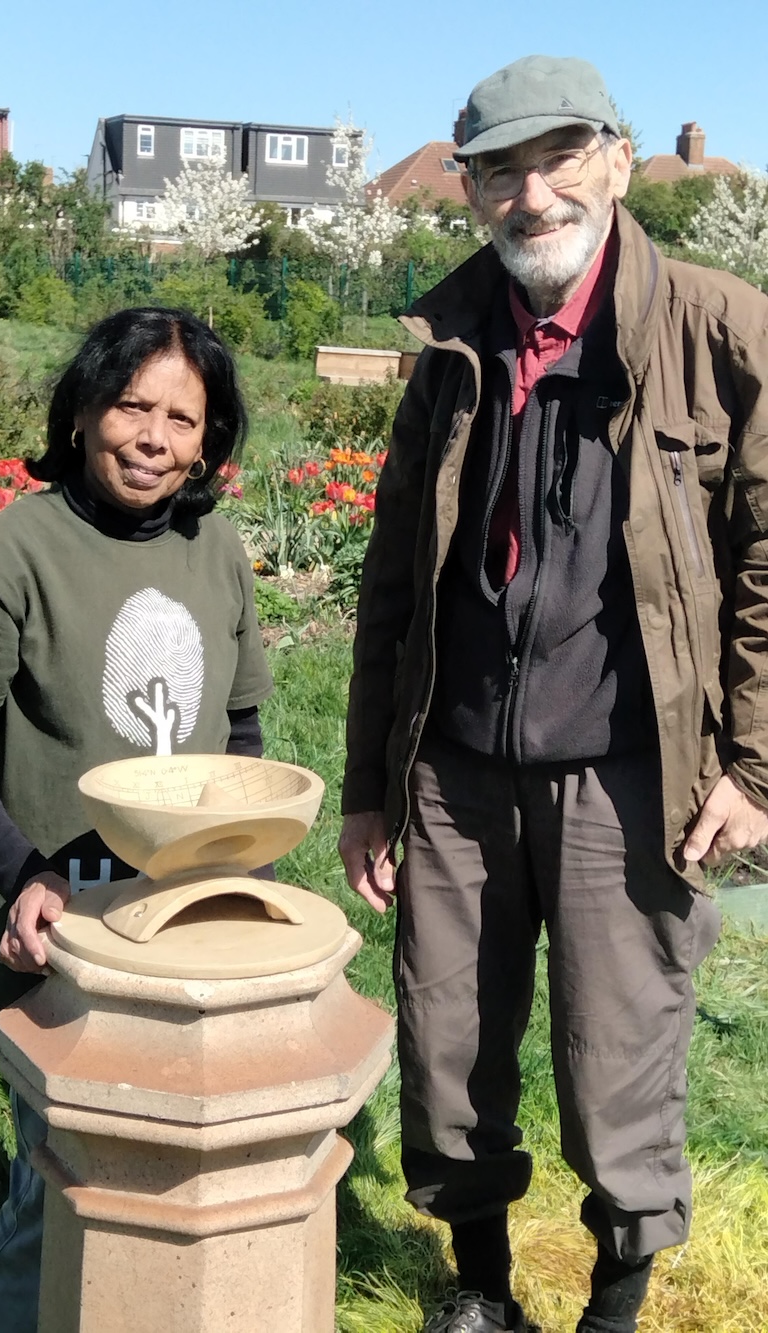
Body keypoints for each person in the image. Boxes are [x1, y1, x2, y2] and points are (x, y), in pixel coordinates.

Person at [339, 54, 768, 1333]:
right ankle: (480, 1298)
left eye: (557, 159)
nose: (532, 196)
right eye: (499, 171)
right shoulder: (452, 341)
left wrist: (754, 768)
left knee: (616, 1062)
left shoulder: (718, 326)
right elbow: (393, 587)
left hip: (630, 771)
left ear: (618, 162)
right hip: (454, 769)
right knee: (447, 1047)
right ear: (468, 190)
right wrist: (370, 788)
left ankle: (613, 1309)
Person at [0, 307, 273, 1333]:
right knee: (54, 1190)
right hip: (62, 930)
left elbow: (240, 739)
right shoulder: (6, 554)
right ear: (81, 412)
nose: (154, 438)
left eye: (184, 420)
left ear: (211, 439)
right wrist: (25, 875)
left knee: (178, 1182)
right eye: (130, 405)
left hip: (190, 926)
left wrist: (235, 872)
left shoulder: (217, 551)